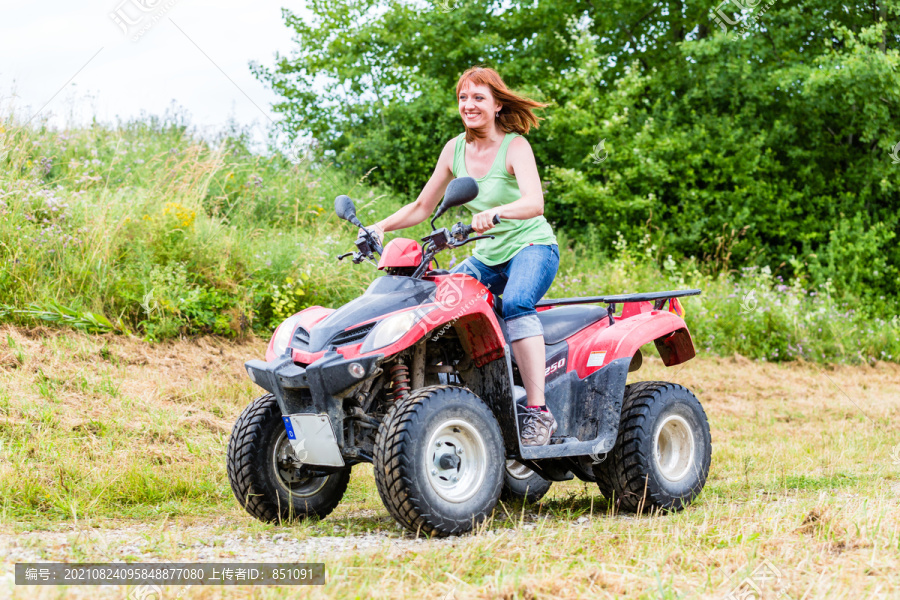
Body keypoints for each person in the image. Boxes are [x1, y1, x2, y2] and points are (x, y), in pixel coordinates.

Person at [360, 66, 560, 447]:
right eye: (463, 98)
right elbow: (422, 205)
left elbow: (535, 203)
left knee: (517, 302)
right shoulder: (455, 149)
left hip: (532, 247)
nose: (469, 105)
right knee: (439, 302)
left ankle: (538, 412)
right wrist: (380, 227)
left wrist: (498, 213)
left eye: (478, 98)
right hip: (488, 255)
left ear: (498, 105)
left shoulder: (515, 146)